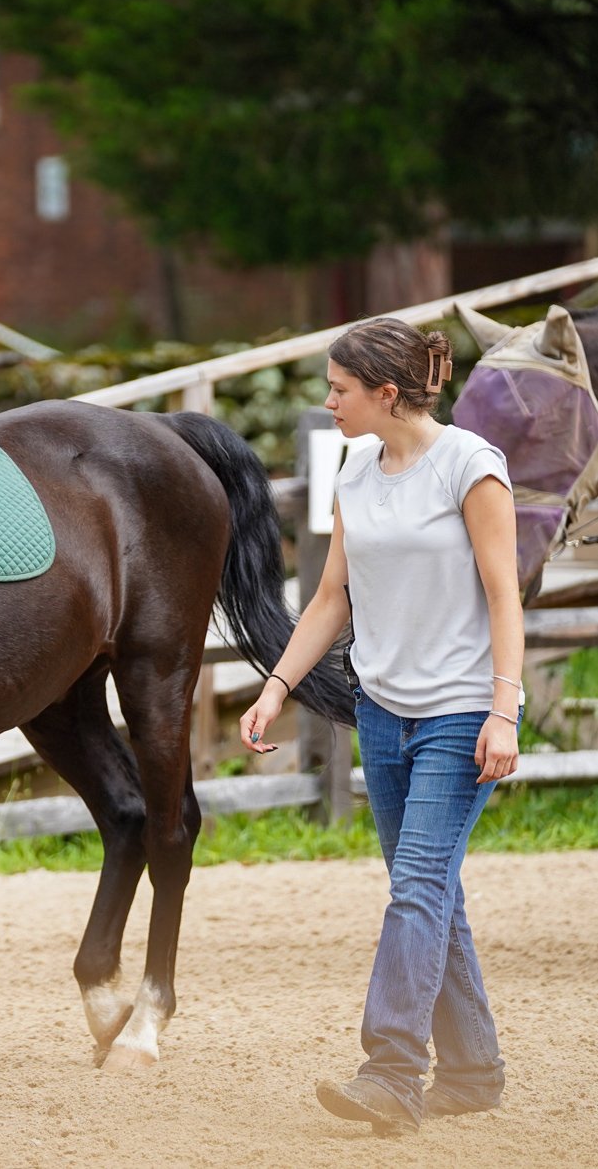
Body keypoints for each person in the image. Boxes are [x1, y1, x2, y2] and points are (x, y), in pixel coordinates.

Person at [238, 317, 522, 1136]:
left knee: (417, 888)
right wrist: (278, 684)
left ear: (385, 394)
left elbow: (504, 594)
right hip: (381, 710)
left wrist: (502, 711)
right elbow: (333, 595)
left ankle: (392, 1074)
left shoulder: (470, 468)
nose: (327, 401)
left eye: (339, 389)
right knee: (428, 893)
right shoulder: (356, 468)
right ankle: (470, 1071)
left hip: (462, 711)